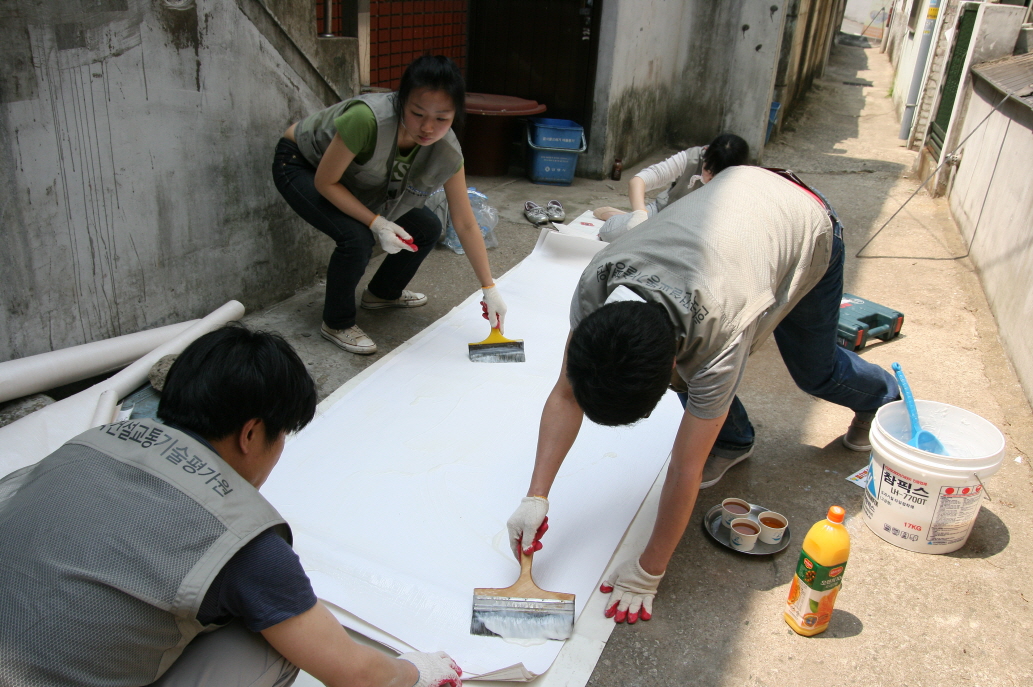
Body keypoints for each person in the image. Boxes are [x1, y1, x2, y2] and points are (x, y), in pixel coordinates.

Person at [505, 165, 898, 626]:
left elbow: (684, 466)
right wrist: (536, 496)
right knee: (704, 397)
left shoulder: (719, 338)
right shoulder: (600, 279)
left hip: (804, 221)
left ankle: (880, 395)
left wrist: (649, 569)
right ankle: (734, 440)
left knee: (816, 372)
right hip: (736, 203)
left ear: (675, 366)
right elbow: (566, 394)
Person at [0, 325, 462, 687]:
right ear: (251, 433)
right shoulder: (244, 542)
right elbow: (357, 677)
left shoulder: (88, 441)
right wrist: (415, 671)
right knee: (272, 641)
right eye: (282, 436)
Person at [274, 55, 506, 356]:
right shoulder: (367, 118)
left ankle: (382, 294)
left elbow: (463, 223)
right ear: (401, 102)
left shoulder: (447, 150)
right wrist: (376, 223)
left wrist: (489, 288)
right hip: (302, 164)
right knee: (355, 238)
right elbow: (325, 183)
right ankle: (337, 322)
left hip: (356, 181)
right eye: (417, 113)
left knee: (427, 227)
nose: (427, 127)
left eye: (441, 118)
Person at [593, 133, 749, 243]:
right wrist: (640, 214)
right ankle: (627, 216)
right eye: (708, 171)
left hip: (699, 229)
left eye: (717, 176)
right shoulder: (691, 158)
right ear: (706, 153)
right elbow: (638, 181)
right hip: (665, 213)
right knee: (611, 234)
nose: (709, 179)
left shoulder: (743, 179)